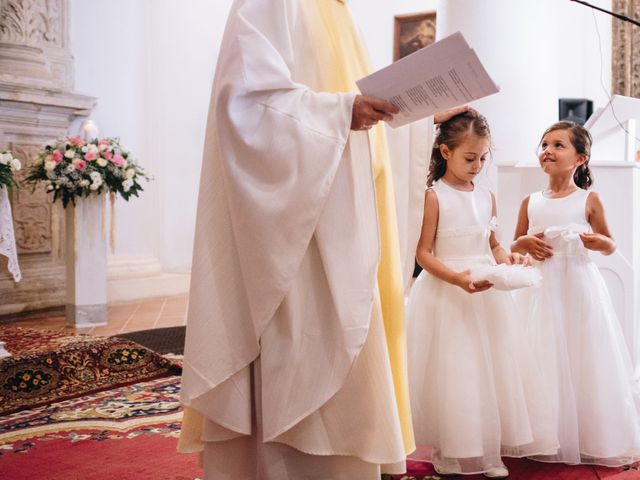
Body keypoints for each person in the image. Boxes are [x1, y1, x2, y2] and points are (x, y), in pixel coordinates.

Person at [178, 1, 464, 478]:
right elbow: (243, 104)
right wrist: (340, 110)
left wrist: (420, 117)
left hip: (345, 222)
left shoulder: (338, 12)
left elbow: (364, 120)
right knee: (298, 353)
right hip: (292, 232)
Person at [406, 111, 558, 478]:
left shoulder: (487, 197)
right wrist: (457, 279)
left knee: (489, 371)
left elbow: (492, 244)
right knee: (454, 371)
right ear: (445, 151)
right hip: (447, 291)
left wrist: (510, 263)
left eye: (482, 158)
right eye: (469, 158)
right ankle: (451, 451)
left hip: (485, 292)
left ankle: (488, 452)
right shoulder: (434, 196)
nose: (477, 166)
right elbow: (423, 253)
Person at [511, 121, 640, 466]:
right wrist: (522, 242)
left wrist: (600, 243)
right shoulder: (530, 201)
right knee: (542, 355)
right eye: (544, 144)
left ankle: (589, 433)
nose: (548, 151)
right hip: (539, 289)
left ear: (580, 158)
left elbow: (610, 243)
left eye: (558, 145)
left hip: (579, 286)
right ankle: (543, 433)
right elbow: (514, 244)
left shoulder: (589, 199)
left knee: (582, 356)